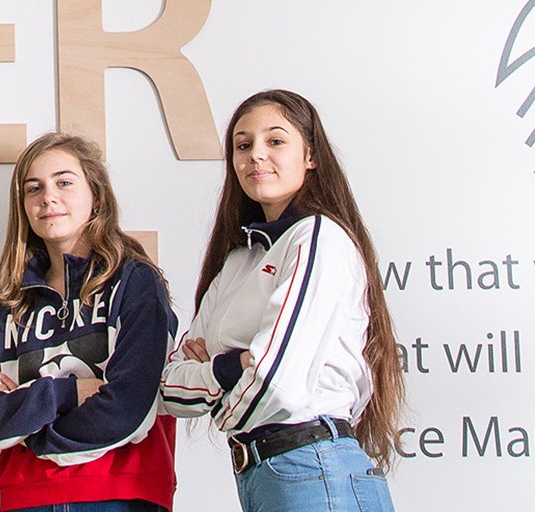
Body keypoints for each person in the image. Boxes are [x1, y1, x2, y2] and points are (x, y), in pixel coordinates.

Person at [158, 89, 403, 511]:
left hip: (312, 465)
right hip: (265, 475)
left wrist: (219, 400)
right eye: (243, 145)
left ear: (310, 155)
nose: (255, 156)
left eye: (275, 141)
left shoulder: (316, 238)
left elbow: (279, 385)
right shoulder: (238, 261)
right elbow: (170, 389)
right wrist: (235, 365)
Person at [0, 133, 179, 512]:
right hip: (26, 500)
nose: (48, 197)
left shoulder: (136, 282)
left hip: (119, 496)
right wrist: (66, 395)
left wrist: (28, 429)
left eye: (64, 182)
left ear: (97, 197)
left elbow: (127, 411)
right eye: (33, 188)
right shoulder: (13, 306)